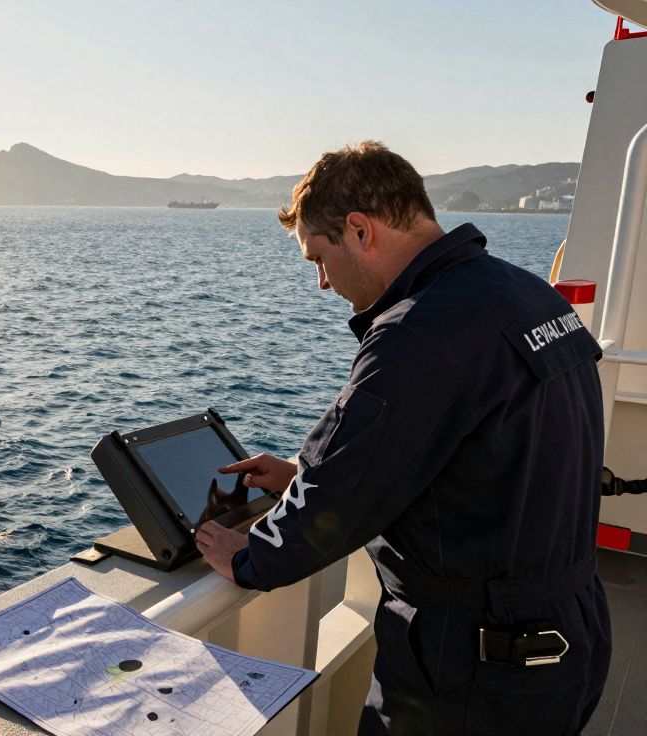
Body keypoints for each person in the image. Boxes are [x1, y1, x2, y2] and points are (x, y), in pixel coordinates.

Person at [194, 141, 611, 735]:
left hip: (476, 674)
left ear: (360, 230)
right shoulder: (526, 295)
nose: (320, 281)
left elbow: (334, 499)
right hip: (569, 637)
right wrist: (298, 477)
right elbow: (483, 458)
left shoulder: (417, 333)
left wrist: (253, 557)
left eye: (318, 256)